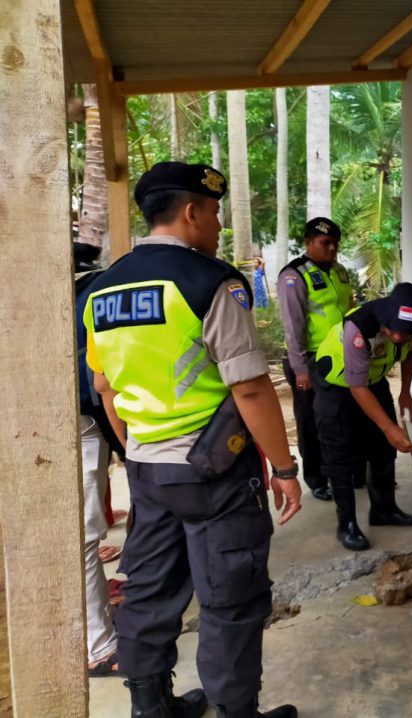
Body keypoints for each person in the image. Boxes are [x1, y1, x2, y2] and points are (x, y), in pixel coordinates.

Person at [83, 161, 301, 718]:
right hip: (216, 472)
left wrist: (137, 451)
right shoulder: (209, 282)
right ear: (190, 212)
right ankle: (235, 712)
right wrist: (283, 467)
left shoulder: (101, 291)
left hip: (146, 469)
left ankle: (150, 707)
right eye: (214, 213)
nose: (219, 225)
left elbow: (105, 388)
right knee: (231, 597)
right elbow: (251, 388)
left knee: (151, 592)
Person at [312, 282, 412, 551]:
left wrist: (406, 393)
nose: (398, 338)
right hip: (337, 383)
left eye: (405, 332)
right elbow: (357, 387)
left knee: (383, 450)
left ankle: (384, 510)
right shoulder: (359, 327)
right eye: (393, 331)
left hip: (373, 379)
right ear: (385, 315)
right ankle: (347, 525)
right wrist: (390, 428)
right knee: (340, 454)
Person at [74, 241, 126, 678]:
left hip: (72, 417)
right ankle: (99, 646)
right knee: (83, 535)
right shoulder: (94, 291)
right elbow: (100, 379)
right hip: (77, 418)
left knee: (86, 529)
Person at [277, 218, 353, 501]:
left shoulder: (340, 272)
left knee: (340, 417)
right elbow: (292, 326)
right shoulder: (294, 275)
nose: (332, 248)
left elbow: (349, 309)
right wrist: (300, 370)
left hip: (341, 356)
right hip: (309, 360)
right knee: (311, 421)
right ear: (308, 242)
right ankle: (317, 478)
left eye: (335, 243)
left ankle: (344, 472)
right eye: (325, 243)